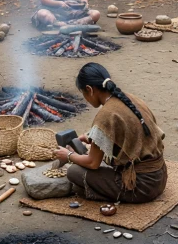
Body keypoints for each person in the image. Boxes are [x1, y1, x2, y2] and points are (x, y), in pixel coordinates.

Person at [52, 63, 166, 204]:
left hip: (141, 187)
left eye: (84, 93)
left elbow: (93, 163)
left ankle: (106, 193)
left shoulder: (105, 115)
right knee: (99, 159)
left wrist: (68, 155)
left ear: (89, 90)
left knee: (74, 172)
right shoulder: (128, 98)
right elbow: (131, 129)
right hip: (160, 177)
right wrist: (92, 136)